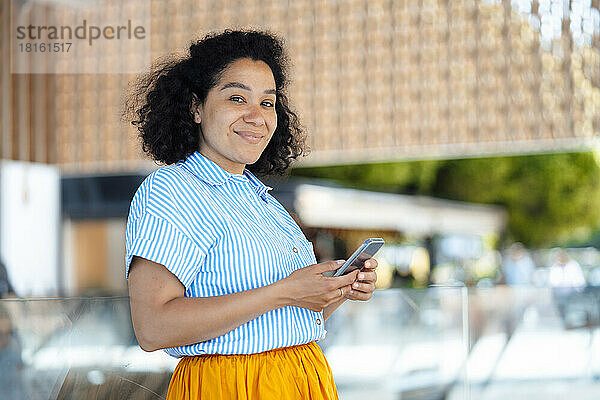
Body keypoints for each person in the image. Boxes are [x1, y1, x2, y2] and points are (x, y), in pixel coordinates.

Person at [124, 30, 378, 399]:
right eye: (237, 98)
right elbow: (153, 327)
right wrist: (285, 292)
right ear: (196, 107)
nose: (256, 117)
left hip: (303, 376)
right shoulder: (172, 189)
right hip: (231, 384)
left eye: (268, 103)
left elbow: (280, 320)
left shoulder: (261, 199)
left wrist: (335, 289)